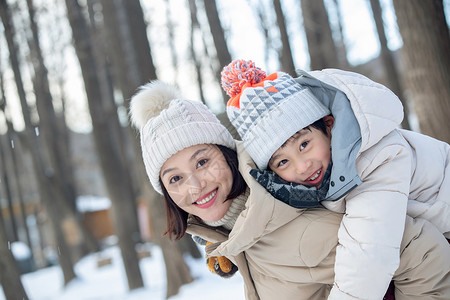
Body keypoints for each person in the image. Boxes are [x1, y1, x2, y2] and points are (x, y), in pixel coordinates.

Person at [129, 80, 450, 300]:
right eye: (175, 179)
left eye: (202, 162)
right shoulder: (234, 230)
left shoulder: (294, 219)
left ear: (228, 156)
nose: (195, 186)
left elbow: (421, 251)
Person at [220, 59, 450, 299]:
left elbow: (369, 254)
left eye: (304, 144)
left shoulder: (373, 158)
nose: (302, 166)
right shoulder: (321, 174)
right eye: (282, 162)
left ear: (329, 127)